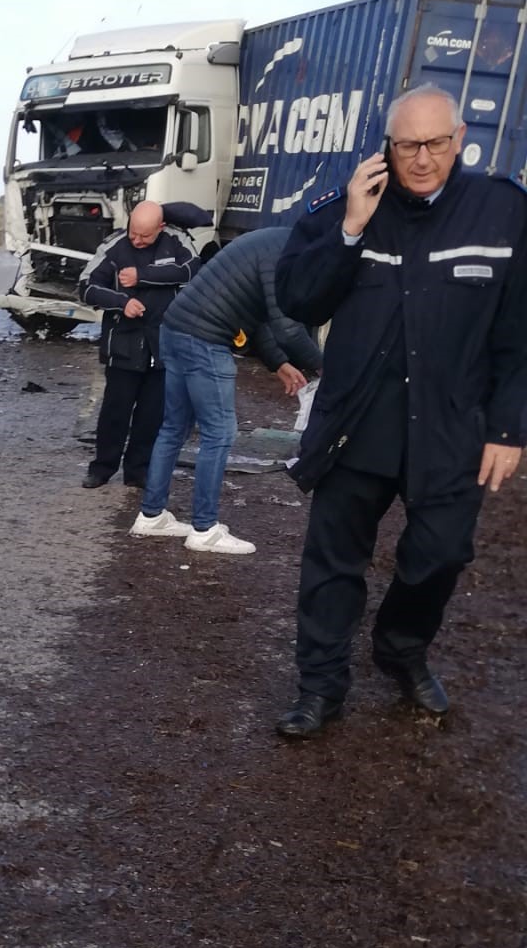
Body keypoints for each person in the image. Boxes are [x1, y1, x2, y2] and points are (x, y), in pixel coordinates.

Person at [271, 86, 527, 739]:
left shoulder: (500, 212)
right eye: (406, 144)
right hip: (359, 423)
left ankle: (401, 648)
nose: (420, 159)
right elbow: (298, 298)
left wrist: (507, 427)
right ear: (389, 144)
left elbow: (518, 334)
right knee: (332, 564)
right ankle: (320, 687)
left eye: (435, 143)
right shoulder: (348, 203)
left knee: (440, 557)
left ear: (459, 137)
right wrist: (351, 227)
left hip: (450, 425)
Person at [129, 227, 322, 554]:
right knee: (219, 433)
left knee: (174, 427)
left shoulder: (271, 242)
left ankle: (152, 516)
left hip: (175, 328)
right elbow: (288, 329)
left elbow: (258, 317)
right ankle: (204, 530)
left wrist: (279, 364)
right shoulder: (285, 256)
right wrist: (326, 367)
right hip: (204, 339)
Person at [78, 202, 201, 489]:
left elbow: (192, 271)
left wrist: (142, 275)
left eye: (144, 236)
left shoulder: (177, 241)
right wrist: (121, 302)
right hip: (123, 343)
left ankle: (137, 470)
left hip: (163, 345)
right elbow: (86, 287)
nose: (137, 240)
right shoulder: (115, 246)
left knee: (151, 415)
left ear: (160, 227)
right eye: (134, 232)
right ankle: (102, 468)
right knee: (115, 412)